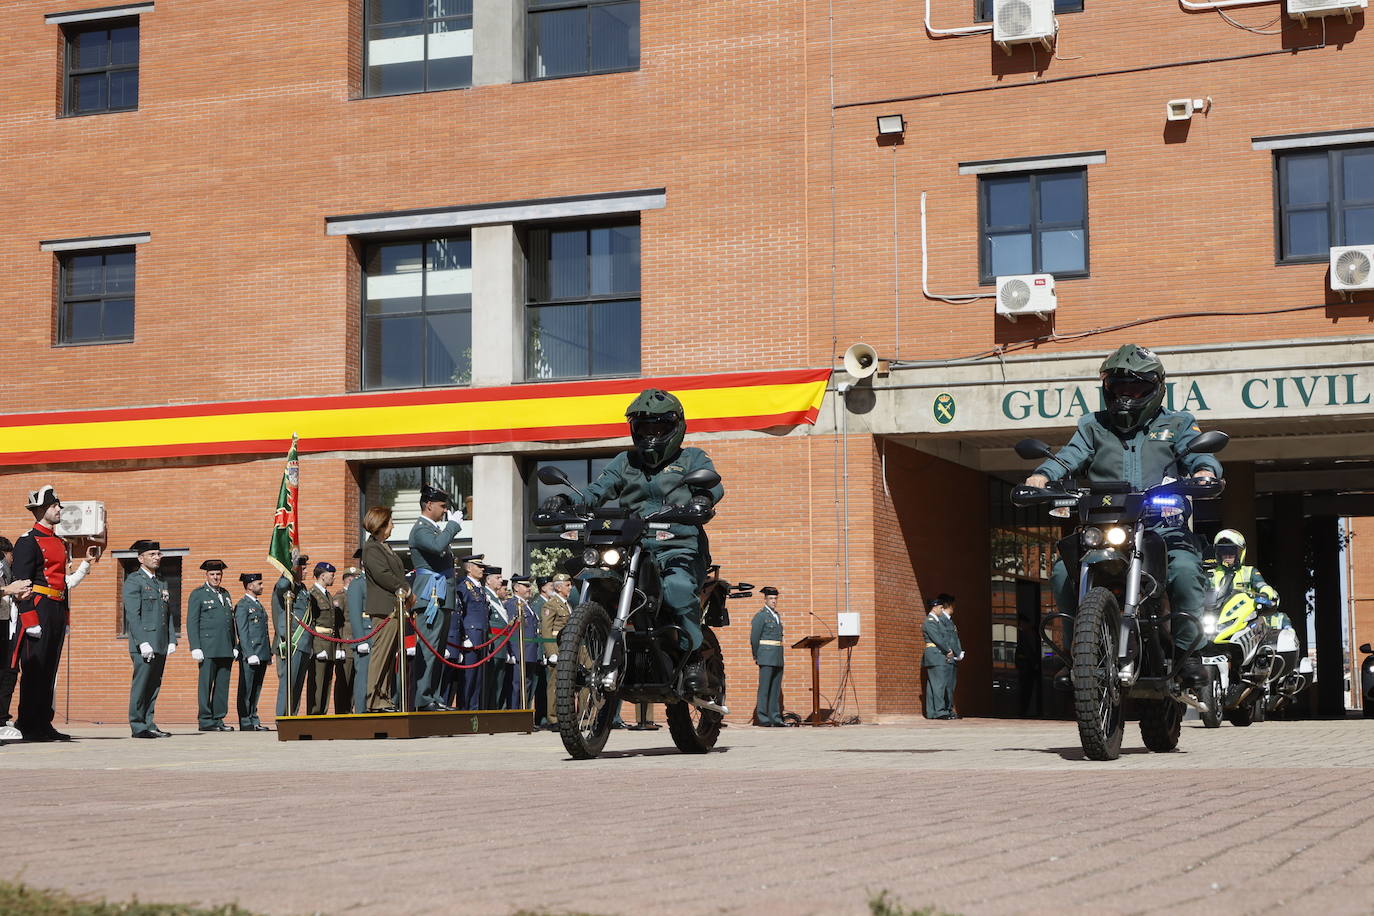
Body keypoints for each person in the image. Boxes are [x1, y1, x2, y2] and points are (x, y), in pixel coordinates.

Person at [1024, 343, 1221, 686]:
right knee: (1060, 571)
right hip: (1106, 526)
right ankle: (1076, 655)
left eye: (1137, 387)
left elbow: (1197, 455)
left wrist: (1205, 472)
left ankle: (1189, 654)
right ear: (1107, 390)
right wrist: (1041, 477)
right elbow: (1069, 456)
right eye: (1120, 388)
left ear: (1156, 388)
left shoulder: (1177, 423)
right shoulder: (1093, 425)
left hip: (1162, 528)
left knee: (1187, 571)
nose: (1127, 396)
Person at [549, 388, 725, 700]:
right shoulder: (624, 461)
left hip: (678, 546)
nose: (651, 435)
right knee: (585, 586)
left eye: (658, 427)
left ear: (675, 427)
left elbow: (712, 483)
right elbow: (596, 490)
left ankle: (694, 657)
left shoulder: (691, 458)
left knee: (678, 590)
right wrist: (565, 500)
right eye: (645, 428)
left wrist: (701, 499)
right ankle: (589, 650)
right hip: (631, 545)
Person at [10, 486, 98, 742]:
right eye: (54, 506)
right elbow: (21, 583)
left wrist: (66, 616)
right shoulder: (27, 541)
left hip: (56, 608)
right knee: (35, 669)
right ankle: (28, 723)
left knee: (50, 670)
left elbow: (60, 582)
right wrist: (29, 619)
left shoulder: (60, 541)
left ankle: (43, 722)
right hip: (38, 608)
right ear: (40, 510)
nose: (60, 509)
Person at [409, 484, 460, 712]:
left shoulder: (434, 529)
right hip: (431, 596)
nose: (445, 510)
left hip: (440, 595)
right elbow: (438, 548)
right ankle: (423, 698)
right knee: (429, 649)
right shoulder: (421, 529)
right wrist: (453, 527)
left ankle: (434, 696)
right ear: (428, 505)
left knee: (437, 651)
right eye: (442, 506)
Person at [123, 540, 175, 738]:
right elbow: (133, 615)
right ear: (140, 558)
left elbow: (167, 612)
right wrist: (142, 642)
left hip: (160, 640)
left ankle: (149, 722)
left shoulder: (161, 582)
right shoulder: (134, 581)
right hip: (144, 643)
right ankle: (138, 725)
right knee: (142, 684)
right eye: (152, 554)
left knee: (154, 685)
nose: (156, 557)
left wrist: (171, 639)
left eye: (158, 554)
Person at [362, 507, 409, 713]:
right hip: (384, 610)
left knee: (390, 658)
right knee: (381, 656)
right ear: (381, 524)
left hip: (394, 608)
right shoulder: (372, 548)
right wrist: (406, 589)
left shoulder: (384, 547)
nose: (393, 526)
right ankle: (374, 700)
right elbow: (383, 575)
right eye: (390, 522)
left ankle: (384, 697)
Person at [187, 559, 237, 732]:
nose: (216, 577)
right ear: (206, 575)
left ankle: (218, 718)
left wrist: (235, 644)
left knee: (222, 685)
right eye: (212, 574)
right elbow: (192, 622)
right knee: (206, 684)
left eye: (218, 574)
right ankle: (205, 719)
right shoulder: (198, 594)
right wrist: (195, 646)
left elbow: (230, 622)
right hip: (207, 647)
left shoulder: (225, 594)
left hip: (226, 646)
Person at [0, 537, 34, 742]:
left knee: (7, 672)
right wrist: (9, 590)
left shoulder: (5, 568)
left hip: (5, 623)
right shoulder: (3, 566)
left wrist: (16, 595)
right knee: (6, 674)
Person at [273, 553, 312, 716]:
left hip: (304, 643)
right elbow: (282, 585)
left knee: (297, 685)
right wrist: (290, 566)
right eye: (302, 568)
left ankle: (292, 716)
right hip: (291, 641)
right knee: (287, 683)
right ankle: (282, 717)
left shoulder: (302, 589)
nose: (306, 572)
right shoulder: (286, 586)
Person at [450, 554, 489, 710]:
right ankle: (465, 709)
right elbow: (460, 612)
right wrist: (464, 636)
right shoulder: (463, 586)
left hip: (482, 635)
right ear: (469, 568)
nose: (482, 569)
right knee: (469, 675)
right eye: (478, 566)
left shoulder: (480, 588)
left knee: (478, 676)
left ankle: (474, 709)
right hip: (470, 636)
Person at [234, 572, 271, 731]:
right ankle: (245, 720)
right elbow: (242, 631)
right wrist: (249, 653)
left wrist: (267, 653)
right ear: (250, 586)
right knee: (246, 688)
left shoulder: (258, 604)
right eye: (259, 584)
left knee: (256, 688)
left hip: (261, 652)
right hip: (251, 653)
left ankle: (254, 718)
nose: (262, 586)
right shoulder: (242, 605)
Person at [307, 562, 341, 715]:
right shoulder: (312, 594)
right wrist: (317, 648)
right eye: (331, 575)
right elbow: (310, 623)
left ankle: (322, 714)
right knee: (317, 682)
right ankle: (314, 714)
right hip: (320, 643)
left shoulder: (327, 594)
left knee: (327, 681)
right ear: (322, 576)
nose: (333, 577)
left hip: (330, 643)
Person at [539, 573, 572, 729]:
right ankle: (553, 718)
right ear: (558, 587)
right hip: (557, 648)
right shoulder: (551, 605)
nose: (570, 587)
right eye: (567, 585)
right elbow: (546, 630)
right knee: (555, 683)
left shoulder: (567, 604)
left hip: (567, 648)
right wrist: (551, 652)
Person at [922, 594, 962, 720]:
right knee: (939, 685)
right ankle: (939, 711)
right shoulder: (930, 622)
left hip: (936, 655)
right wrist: (948, 650)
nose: (941, 610)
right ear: (935, 608)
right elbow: (938, 639)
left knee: (933, 686)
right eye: (940, 608)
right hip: (936, 655)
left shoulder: (935, 621)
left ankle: (932, 712)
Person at [750, 586, 785, 727]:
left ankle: (775, 718)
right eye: (771, 598)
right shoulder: (761, 616)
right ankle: (763, 718)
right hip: (765, 656)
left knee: (775, 689)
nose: (774, 601)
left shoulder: (777, 616)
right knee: (764, 688)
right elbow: (754, 638)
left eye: (775, 598)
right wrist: (756, 655)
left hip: (777, 656)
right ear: (765, 599)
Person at [507, 575, 541, 710]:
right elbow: (510, 629)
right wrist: (512, 652)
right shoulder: (512, 604)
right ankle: (515, 715)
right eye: (526, 586)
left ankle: (524, 713)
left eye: (529, 586)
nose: (529, 589)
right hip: (519, 650)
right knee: (517, 685)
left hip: (530, 651)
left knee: (527, 685)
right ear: (516, 588)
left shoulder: (528, 605)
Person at [483, 566, 514, 709]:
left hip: (501, 645)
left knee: (499, 681)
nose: (501, 580)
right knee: (490, 681)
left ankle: (496, 709)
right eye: (497, 578)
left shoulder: (497, 598)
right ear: (488, 580)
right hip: (493, 644)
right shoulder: (485, 595)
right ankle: (489, 710)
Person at [344, 550, 371, 714]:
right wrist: (360, 640)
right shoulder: (358, 583)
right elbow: (354, 613)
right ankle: (361, 711)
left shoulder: (377, 582)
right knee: (363, 676)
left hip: (378, 633)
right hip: (365, 635)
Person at [331, 568, 357, 714]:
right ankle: (341, 711)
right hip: (345, 642)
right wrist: (338, 646)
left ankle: (349, 709)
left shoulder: (354, 595)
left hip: (355, 641)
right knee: (344, 679)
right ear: (350, 579)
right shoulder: (340, 596)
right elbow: (337, 623)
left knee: (353, 678)